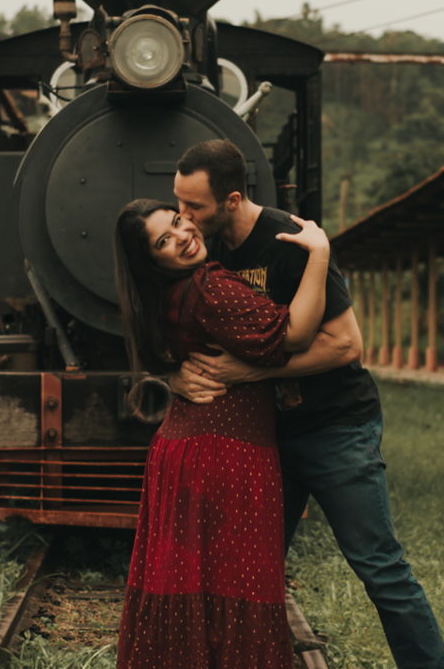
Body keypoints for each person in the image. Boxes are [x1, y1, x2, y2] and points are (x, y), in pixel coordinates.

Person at [170, 140, 444, 669]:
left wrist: (251, 370)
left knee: (379, 568)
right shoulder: (204, 253)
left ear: (232, 199)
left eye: (195, 207)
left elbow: (347, 344)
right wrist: (174, 374)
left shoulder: (290, 242)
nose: (184, 219)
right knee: (246, 571)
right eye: (178, 204)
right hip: (265, 437)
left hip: (335, 428)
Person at [112, 198, 331, 669]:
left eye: (177, 221)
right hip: (227, 453)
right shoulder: (210, 287)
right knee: (241, 585)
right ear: (154, 261)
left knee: (189, 583)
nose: (182, 236)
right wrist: (319, 252)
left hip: (182, 449)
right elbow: (294, 334)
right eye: (164, 242)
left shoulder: (164, 295)